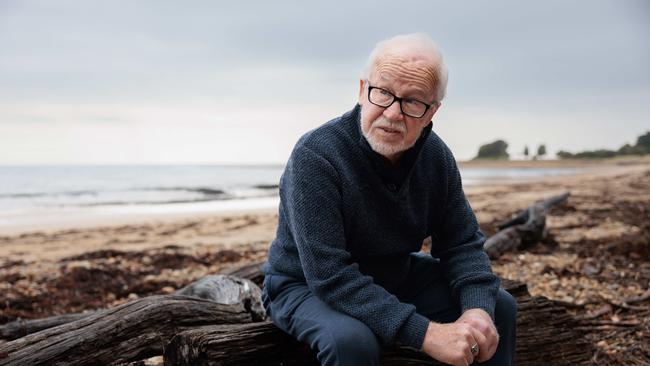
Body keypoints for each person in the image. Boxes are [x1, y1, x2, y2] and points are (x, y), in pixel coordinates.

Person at [261, 33, 516, 366]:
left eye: (412, 102)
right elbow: (329, 276)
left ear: (431, 112)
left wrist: (477, 310)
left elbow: (461, 245)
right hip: (304, 285)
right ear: (362, 89)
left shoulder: (436, 158)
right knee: (351, 342)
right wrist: (426, 335)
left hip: (394, 274)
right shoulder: (317, 156)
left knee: (499, 307)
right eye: (382, 93)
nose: (393, 113)